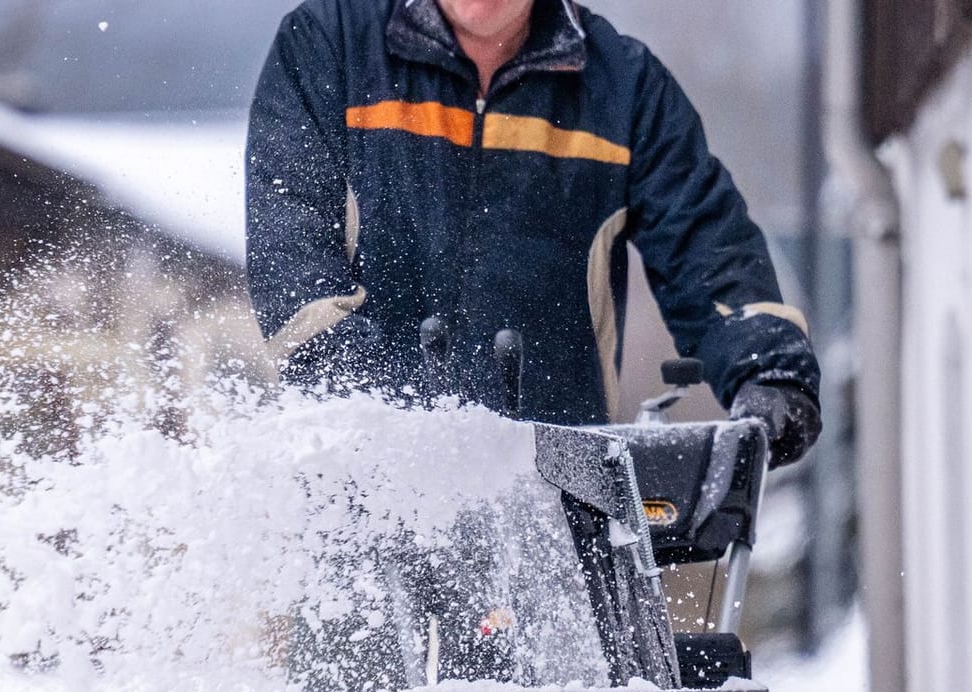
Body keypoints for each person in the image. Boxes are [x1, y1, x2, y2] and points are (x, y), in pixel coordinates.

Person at [246, 0, 821, 465]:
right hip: (368, 496)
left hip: (559, 506)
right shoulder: (328, 47)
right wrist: (402, 415)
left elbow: (706, 242)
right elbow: (293, 264)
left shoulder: (624, 90)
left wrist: (766, 369)